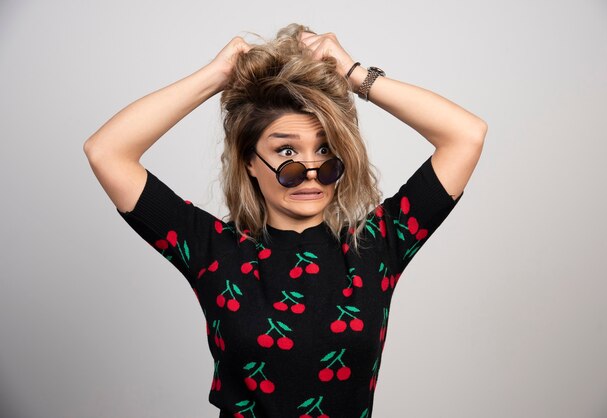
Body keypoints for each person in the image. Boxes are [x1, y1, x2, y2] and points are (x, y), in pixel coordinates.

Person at [84, 23, 486, 418]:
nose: (311, 170)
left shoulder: (377, 244)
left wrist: (354, 74)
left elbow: (466, 134)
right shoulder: (211, 249)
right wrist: (217, 77)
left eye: (325, 149)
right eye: (287, 153)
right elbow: (107, 151)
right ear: (249, 163)